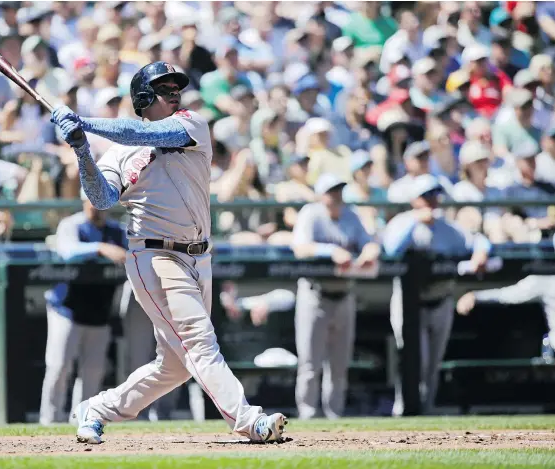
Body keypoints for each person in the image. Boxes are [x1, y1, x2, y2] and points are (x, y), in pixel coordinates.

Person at [51, 61, 286, 444]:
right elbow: (101, 197)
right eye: (164, 88)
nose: (174, 92)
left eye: (176, 86)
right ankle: (249, 420)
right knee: (198, 341)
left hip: (200, 257)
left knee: (174, 367)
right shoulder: (117, 155)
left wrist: (86, 123)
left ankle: (96, 409)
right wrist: (81, 150)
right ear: (143, 97)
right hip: (154, 255)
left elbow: (135, 131)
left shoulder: (191, 123)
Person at [383, 174, 491, 416]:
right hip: (410, 302)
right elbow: (391, 249)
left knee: (433, 364)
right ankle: (404, 409)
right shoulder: (403, 222)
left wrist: (480, 253)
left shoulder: (447, 228)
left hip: (441, 299)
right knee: (413, 361)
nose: (432, 201)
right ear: (414, 200)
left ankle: (428, 409)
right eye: (426, 196)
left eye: (434, 195)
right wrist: (415, 222)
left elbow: (478, 241)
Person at [290, 173, 380, 419]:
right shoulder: (311, 213)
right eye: (331, 191)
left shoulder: (351, 214)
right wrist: (330, 251)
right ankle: (307, 415)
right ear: (321, 195)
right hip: (315, 295)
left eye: (339, 190)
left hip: (344, 294)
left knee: (339, 365)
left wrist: (369, 252)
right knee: (310, 364)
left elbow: (370, 243)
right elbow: (300, 248)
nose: (336, 195)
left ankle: (335, 416)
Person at [39, 191, 127, 425]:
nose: (95, 207)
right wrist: (99, 248)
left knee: (93, 372)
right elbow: (67, 251)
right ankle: (49, 421)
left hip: (100, 311)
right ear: (83, 201)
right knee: (59, 367)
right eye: (91, 201)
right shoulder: (72, 225)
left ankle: (82, 420)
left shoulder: (117, 231)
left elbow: (133, 254)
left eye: (99, 202)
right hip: (66, 308)